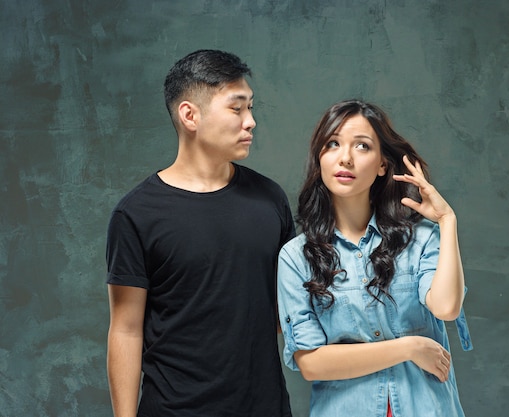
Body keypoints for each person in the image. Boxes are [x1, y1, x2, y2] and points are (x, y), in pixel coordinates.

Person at [106, 49, 294, 417]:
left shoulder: (270, 199)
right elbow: (126, 330)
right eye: (237, 108)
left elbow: (288, 311)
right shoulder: (136, 214)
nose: (251, 121)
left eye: (251, 107)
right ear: (190, 115)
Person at [277, 99, 473, 417]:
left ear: (383, 164)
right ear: (320, 157)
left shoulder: (419, 238)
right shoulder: (297, 257)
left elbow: (447, 307)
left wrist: (447, 220)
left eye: (362, 146)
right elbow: (310, 363)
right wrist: (408, 348)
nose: (345, 158)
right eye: (333, 144)